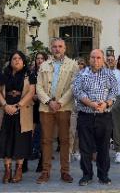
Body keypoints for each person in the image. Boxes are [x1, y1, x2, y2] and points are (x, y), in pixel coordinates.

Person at [35, 38, 79, 184]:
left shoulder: (73, 65)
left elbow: (73, 87)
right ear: (50, 48)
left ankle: (65, 172)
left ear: (65, 48)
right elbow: (39, 87)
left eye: (60, 46)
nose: (57, 49)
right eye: (54, 47)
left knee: (65, 140)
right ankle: (45, 172)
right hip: (46, 108)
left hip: (64, 108)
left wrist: (59, 103)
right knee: (46, 140)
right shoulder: (44, 65)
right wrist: (48, 101)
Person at [72, 49, 118, 186]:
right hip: (85, 115)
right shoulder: (81, 74)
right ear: (89, 59)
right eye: (93, 57)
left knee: (103, 148)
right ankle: (87, 175)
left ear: (103, 59)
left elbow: (114, 91)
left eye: (98, 57)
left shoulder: (109, 74)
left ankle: (103, 175)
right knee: (85, 147)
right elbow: (77, 91)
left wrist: (106, 103)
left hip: (104, 116)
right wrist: (90, 103)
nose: (95, 60)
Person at [0, 51, 36, 184]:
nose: (16, 60)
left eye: (19, 58)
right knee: (5, 141)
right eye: (14, 58)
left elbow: (31, 92)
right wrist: (6, 105)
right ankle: (7, 170)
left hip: (22, 112)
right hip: (5, 111)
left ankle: (18, 170)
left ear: (23, 61)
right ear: (10, 61)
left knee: (21, 142)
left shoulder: (29, 75)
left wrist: (18, 106)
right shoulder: (3, 75)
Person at [32, 52, 48, 172]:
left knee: (43, 135)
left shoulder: (48, 73)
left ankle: (42, 162)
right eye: (38, 58)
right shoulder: (31, 73)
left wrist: (41, 97)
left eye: (42, 58)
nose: (40, 60)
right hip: (31, 107)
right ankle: (25, 162)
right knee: (29, 134)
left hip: (44, 106)